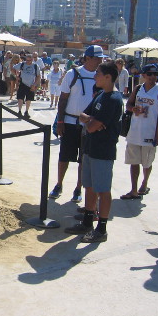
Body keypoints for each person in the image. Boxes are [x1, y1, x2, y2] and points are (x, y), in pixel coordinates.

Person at [64, 61, 123, 243]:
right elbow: (83, 116)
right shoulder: (101, 95)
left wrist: (91, 122)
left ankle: (101, 229)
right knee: (89, 186)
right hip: (90, 148)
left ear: (108, 77)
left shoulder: (113, 99)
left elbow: (90, 126)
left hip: (103, 151)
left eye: (98, 73)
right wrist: (92, 121)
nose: (95, 76)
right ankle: (88, 221)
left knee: (103, 190)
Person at [50, 45, 104, 202]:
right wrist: (60, 121)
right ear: (88, 58)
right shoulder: (72, 74)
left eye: (101, 58)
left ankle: (78, 188)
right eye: (97, 58)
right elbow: (63, 99)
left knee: (84, 158)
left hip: (89, 125)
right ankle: (59, 184)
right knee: (64, 156)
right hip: (70, 121)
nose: (100, 61)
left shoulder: (101, 77)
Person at [120, 63, 158, 200]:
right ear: (143, 75)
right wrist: (133, 109)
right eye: (150, 74)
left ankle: (145, 183)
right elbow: (128, 104)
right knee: (134, 161)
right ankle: (134, 189)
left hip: (150, 132)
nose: (153, 77)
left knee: (147, 162)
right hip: (135, 131)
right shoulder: (138, 89)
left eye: (155, 74)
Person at [13, 53, 40, 118]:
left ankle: (26, 111)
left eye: (29, 60)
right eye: (27, 60)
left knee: (29, 99)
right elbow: (13, 68)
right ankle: (19, 111)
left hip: (31, 84)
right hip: (22, 83)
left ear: (32, 60)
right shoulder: (22, 64)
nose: (28, 62)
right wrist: (17, 76)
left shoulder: (35, 66)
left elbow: (38, 76)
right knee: (20, 98)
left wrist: (35, 84)